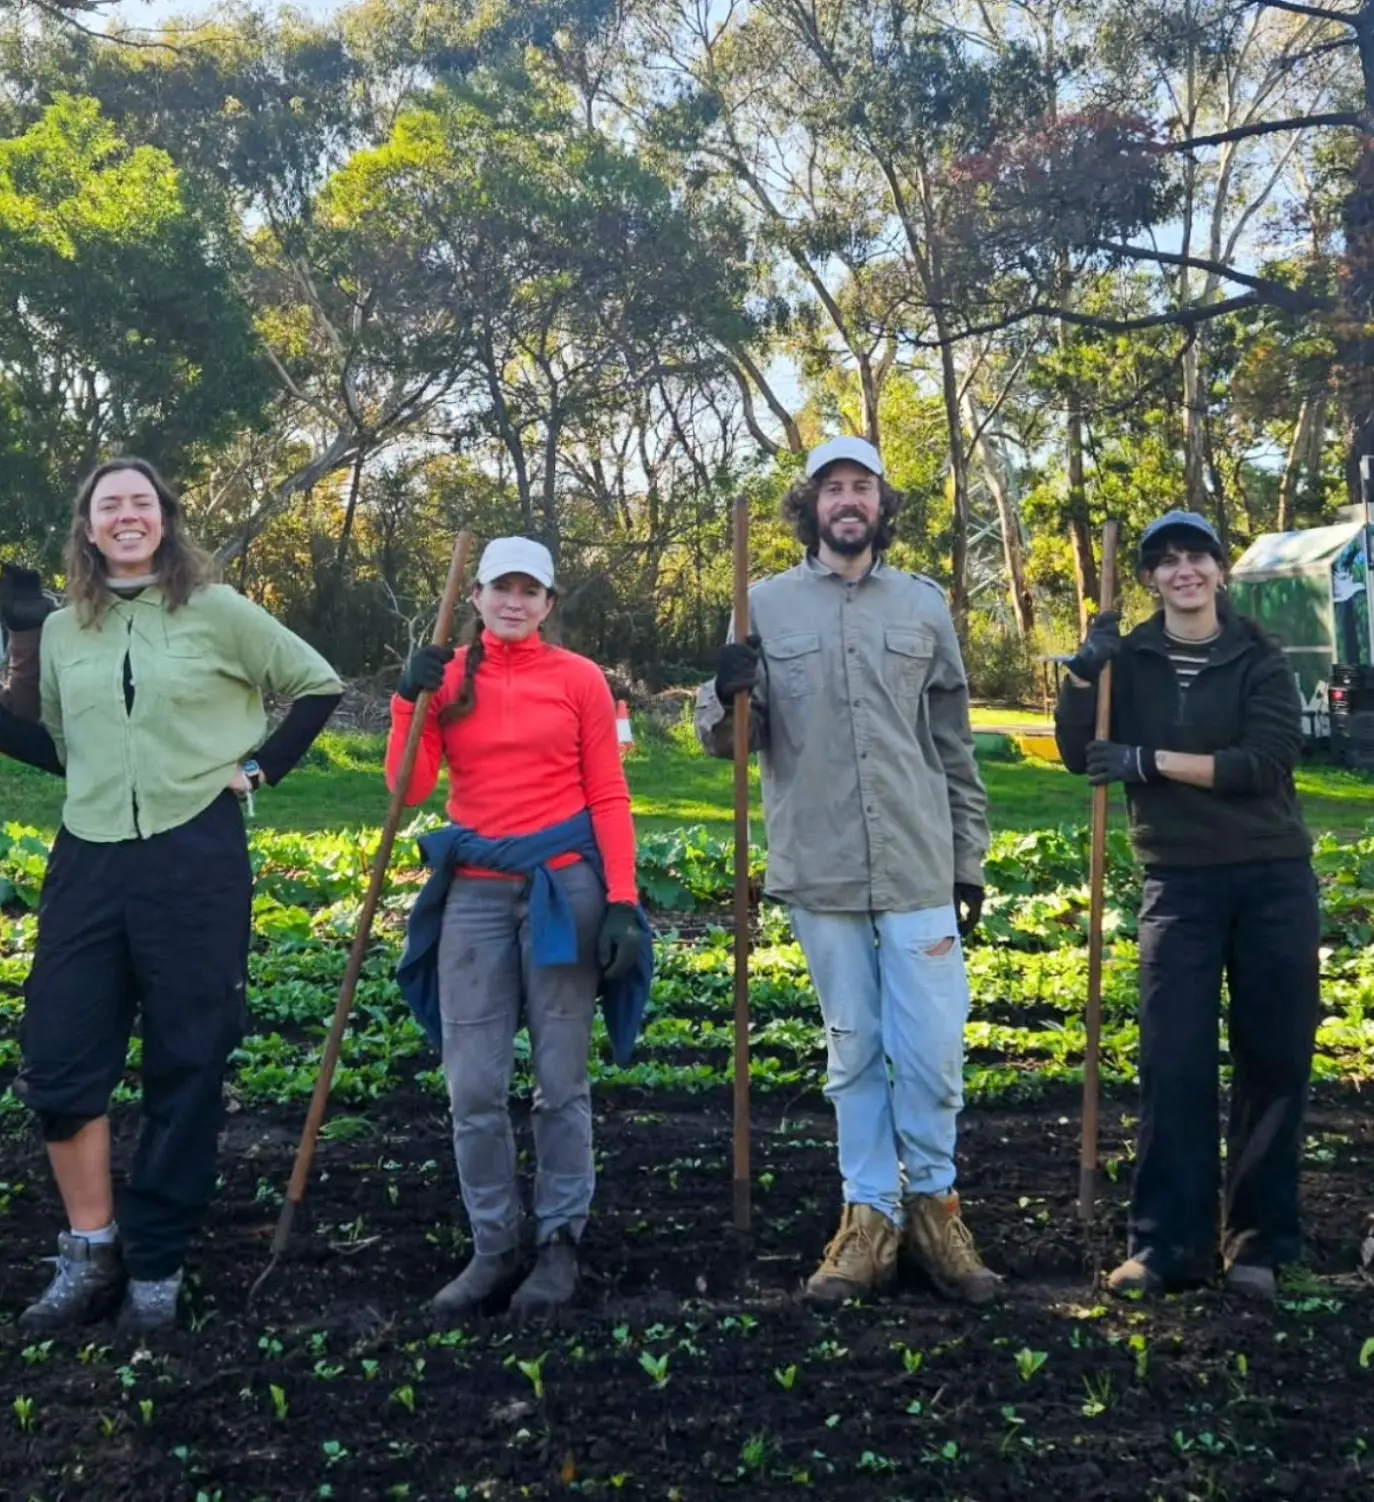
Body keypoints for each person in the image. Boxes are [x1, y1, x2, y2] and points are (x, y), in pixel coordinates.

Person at [0, 456, 343, 1334]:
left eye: (140, 503)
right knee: (59, 1060)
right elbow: (63, 752)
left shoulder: (219, 610)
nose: (125, 516)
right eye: (106, 505)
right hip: (88, 856)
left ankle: (156, 1264)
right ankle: (90, 1250)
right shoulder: (67, 630)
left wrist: (260, 766)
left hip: (194, 854)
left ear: (163, 518)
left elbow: (316, 685)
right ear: (86, 529)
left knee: (186, 1060)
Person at [695, 436, 1001, 1306]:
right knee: (853, 1052)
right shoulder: (760, 607)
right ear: (811, 506)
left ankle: (935, 1210)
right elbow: (729, 742)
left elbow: (951, 743)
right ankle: (866, 1219)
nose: (847, 501)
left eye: (860, 486)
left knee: (934, 1052)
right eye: (832, 488)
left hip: (915, 864)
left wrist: (966, 859)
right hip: (818, 868)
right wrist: (723, 692)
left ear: (880, 503)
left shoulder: (922, 607)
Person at [1053, 509, 1319, 1301]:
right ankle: (1165, 1246)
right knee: (1173, 1062)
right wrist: (1082, 674)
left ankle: (1257, 1245)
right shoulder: (1125, 659)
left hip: (1271, 879)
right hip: (1178, 885)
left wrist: (1149, 761)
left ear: (1218, 570)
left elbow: (1263, 764)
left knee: (1273, 1059)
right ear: (1149, 578)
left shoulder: (1257, 657)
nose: (1182, 572)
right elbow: (1079, 755)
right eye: (1165, 562)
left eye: (1195, 557)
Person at [391, 536, 653, 1318]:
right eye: (499, 588)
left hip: (561, 890)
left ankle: (559, 1242)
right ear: (474, 597)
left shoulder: (578, 680)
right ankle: (493, 1245)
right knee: (472, 1085)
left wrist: (620, 901)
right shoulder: (446, 678)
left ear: (547, 603)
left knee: (560, 1083)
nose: (513, 601)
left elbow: (607, 793)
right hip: (472, 892)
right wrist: (411, 701)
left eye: (528, 591)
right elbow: (408, 792)